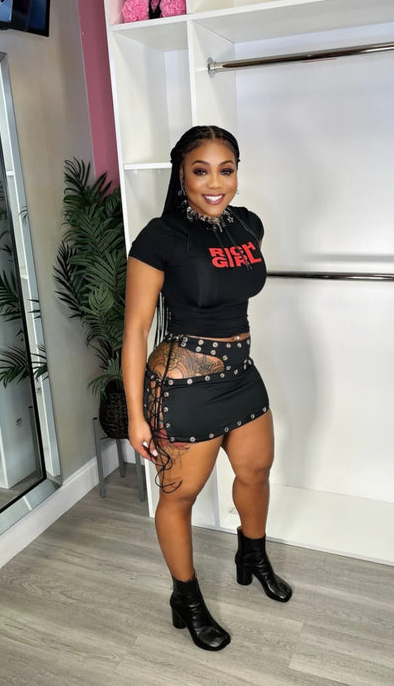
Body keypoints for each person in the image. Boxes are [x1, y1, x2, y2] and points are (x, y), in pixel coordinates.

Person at [122, 125, 292, 652]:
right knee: (181, 497)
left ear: (237, 173)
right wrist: (136, 415)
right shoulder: (161, 237)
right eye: (201, 171)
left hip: (241, 375)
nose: (215, 183)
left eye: (226, 170)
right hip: (185, 389)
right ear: (182, 174)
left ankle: (252, 555)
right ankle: (186, 599)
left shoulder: (248, 225)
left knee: (256, 472)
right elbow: (135, 329)